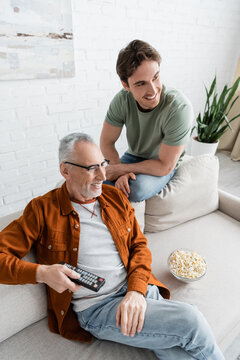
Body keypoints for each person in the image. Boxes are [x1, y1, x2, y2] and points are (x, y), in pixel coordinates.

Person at [0, 132, 224, 360]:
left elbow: (139, 246)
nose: (102, 175)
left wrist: (136, 291)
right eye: (91, 168)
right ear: (65, 170)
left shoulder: (114, 198)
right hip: (98, 308)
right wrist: (42, 273)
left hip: (138, 287)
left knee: (175, 350)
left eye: (103, 164)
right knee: (191, 321)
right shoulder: (41, 210)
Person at [100, 39, 193, 202]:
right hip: (133, 157)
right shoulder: (122, 100)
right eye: (141, 84)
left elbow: (165, 165)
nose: (153, 90)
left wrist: (120, 169)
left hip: (162, 163)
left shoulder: (178, 108)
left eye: (156, 77)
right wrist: (120, 172)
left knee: (135, 189)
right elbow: (107, 142)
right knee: (95, 181)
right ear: (125, 85)